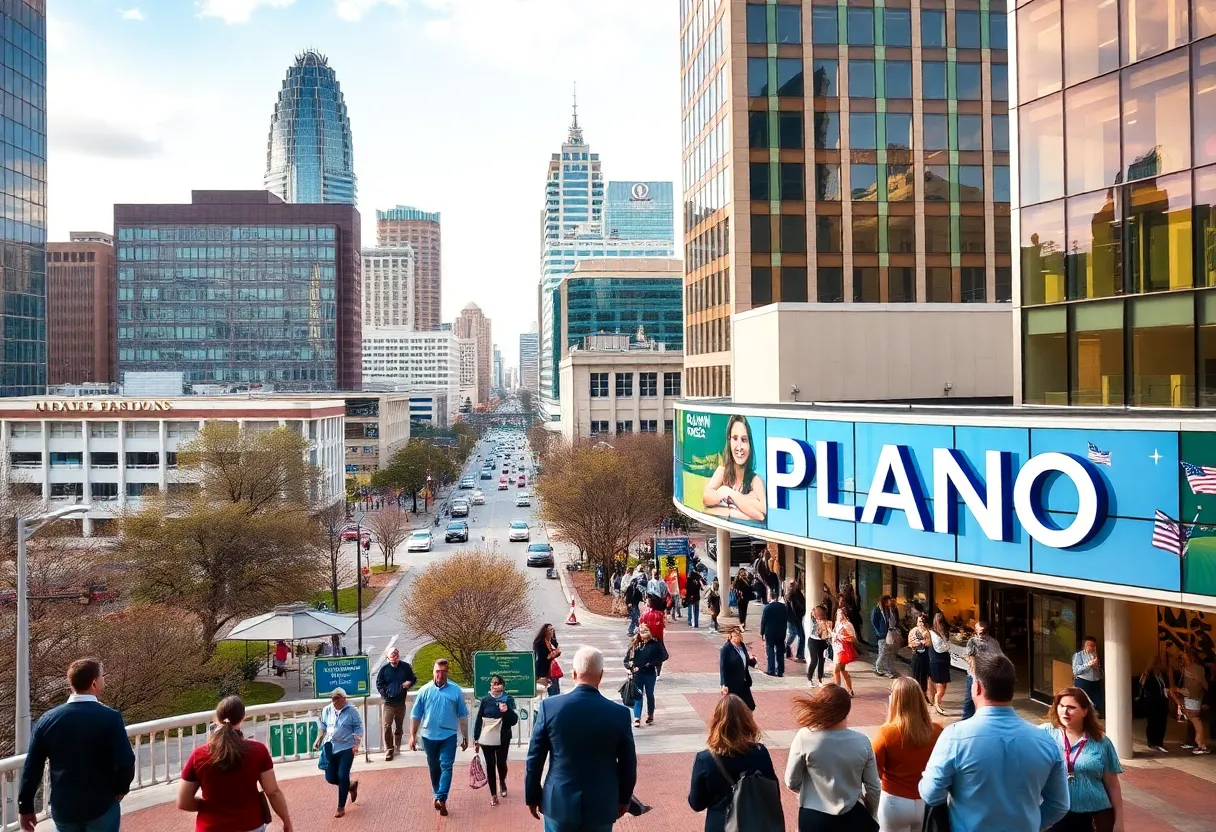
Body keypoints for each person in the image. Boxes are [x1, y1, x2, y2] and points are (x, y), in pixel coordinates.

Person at [919, 652, 1069, 832]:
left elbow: (930, 793)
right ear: (1011, 690)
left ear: (977, 688)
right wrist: (1032, 824)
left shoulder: (954, 737)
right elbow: (1059, 804)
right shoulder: (1047, 742)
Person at [525, 646, 638, 832]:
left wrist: (532, 796)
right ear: (600, 676)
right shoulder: (619, 714)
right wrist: (624, 799)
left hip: (558, 803)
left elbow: (534, 759)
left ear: (573, 674)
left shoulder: (549, 708)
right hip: (601, 805)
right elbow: (628, 765)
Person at [18, 658, 135, 832]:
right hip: (101, 805)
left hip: (64, 808)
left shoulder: (47, 720)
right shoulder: (110, 718)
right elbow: (125, 761)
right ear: (94, 683)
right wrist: (121, 789)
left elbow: (32, 768)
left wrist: (25, 806)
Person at [177, 695, 293, 832]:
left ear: (217, 718)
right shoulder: (258, 751)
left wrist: (209, 806)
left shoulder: (199, 755)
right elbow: (272, 791)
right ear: (244, 717)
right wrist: (286, 821)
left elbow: (183, 801)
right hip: (250, 824)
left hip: (210, 827)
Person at [784, 683, 880, 831]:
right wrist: (871, 812)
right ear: (846, 711)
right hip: (851, 814)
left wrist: (810, 791)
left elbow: (791, 781)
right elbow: (873, 786)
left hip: (814, 815)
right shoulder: (862, 741)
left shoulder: (805, 736)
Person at [688, 694, 779, 832]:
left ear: (716, 722)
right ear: (746, 720)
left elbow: (696, 804)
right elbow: (773, 791)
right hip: (754, 824)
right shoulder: (760, 752)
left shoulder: (706, 759)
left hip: (720, 824)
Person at [1040, 686, 1123, 832]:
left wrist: (1119, 821)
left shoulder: (1101, 742)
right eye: (1061, 706)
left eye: (1071, 707)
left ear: (1085, 711)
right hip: (1055, 814)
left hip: (1094, 816)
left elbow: (1112, 784)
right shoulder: (1044, 734)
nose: (1065, 711)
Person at [871, 678, 944, 832]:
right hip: (925, 800)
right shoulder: (937, 731)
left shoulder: (886, 733)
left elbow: (873, 772)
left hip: (894, 801)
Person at [409, 659, 470, 816]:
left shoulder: (455, 690)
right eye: (438, 671)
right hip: (429, 736)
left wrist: (465, 736)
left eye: (443, 672)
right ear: (433, 672)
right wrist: (412, 736)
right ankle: (438, 796)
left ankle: (441, 797)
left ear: (447, 673)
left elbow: (462, 716)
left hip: (448, 736)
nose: (440, 675)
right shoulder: (425, 690)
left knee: (447, 766)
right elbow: (416, 715)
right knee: (434, 768)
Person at [701, 414, 767, 522]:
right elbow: (706, 500)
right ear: (729, 441)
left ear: (750, 445)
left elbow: (761, 515)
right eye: (735, 438)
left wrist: (729, 493)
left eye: (744, 440)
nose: (739, 447)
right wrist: (741, 507)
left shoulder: (756, 481)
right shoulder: (722, 471)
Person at [312, 688, 363, 819]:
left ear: (344, 698)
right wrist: (318, 740)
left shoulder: (352, 711)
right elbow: (322, 727)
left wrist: (356, 743)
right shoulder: (326, 710)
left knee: (342, 775)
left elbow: (358, 727)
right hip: (330, 746)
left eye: (338, 698)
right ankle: (350, 785)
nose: (335, 701)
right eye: (333, 698)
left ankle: (341, 807)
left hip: (346, 747)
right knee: (330, 778)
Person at [474, 674, 519, 807]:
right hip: (487, 737)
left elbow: (514, 721)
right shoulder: (485, 700)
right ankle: (493, 794)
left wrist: (506, 712)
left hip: (503, 736)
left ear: (503, 686)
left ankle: (502, 781)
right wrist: (476, 738)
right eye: (493, 683)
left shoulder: (508, 699)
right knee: (490, 764)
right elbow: (478, 720)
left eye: (498, 683)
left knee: (501, 762)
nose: (495, 686)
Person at [375, 646, 417, 761]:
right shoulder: (384, 670)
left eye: (396, 658)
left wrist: (409, 683)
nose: (394, 660)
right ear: (387, 658)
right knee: (387, 726)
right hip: (388, 703)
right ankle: (389, 749)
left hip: (401, 702)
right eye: (391, 659)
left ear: (398, 656)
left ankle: (397, 744)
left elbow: (413, 679)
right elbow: (379, 684)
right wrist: (385, 695)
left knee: (399, 726)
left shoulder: (405, 667)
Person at [625, 624, 666, 727]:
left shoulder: (654, 644)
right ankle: (637, 717)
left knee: (649, 694)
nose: (645, 639)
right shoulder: (635, 644)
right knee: (638, 695)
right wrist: (630, 668)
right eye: (643, 636)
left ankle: (650, 714)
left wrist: (651, 664)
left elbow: (662, 657)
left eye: (646, 636)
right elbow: (626, 660)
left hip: (649, 673)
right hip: (637, 674)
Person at [961, 621, 1000, 720]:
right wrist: (974, 678)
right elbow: (972, 659)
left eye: (981, 632)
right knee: (969, 701)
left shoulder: (993, 643)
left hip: (987, 676)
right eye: (976, 631)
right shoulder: (972, 642)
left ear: (986, 632)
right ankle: (966, 722)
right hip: (974, 676)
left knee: (986, 701)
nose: (978, 635)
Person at [1175, 649, 1210, 754]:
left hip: (1193, 697)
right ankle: (1199, 743)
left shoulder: (1194, 668)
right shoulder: (1193, 668)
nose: (1183, 659)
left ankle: (1201, 744)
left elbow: (1202, 683)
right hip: (1193, 697)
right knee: (1195, 721)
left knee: (1196, 721)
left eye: (1185, 657)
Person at [719, 626, 758, 710]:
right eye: (735, 636)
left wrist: (753, 661)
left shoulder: (742, 646)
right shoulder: (726, 649)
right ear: (730, 637)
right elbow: (723, 668)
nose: (737, 638)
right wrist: (723, 684)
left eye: (739, 635)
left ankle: (745, 721)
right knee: (732, 708)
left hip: (743, 682)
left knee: (750, 706)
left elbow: (745, 660)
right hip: (732, 684)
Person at [1139, 655, 1171, 753]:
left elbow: (1166, 685)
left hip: (1163, 700)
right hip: (1152, 701)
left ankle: (1159, 741)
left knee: (1162, 722)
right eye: (1160, 662)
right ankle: (1152, 742)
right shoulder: (1149, 674)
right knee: (1153, 721)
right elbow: (1142, 684)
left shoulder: (1162, 674)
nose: (1162, 664)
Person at [1071, 636, 1104, 717]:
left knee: (1098, 701)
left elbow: (1100, 669)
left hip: (1096, 681)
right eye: (1089, 645)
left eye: (1093, 646)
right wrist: (1088, 665)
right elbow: (1076, 671)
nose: (1091, 647)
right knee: (1082, 700)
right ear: (1084, 646)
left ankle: (1096, 717)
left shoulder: (1096, 655)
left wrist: (1097, 668)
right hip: (1083, 681)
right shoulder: (1078, 656)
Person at [760, 591, 790, 677]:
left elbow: (763, 621)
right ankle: (780, 671)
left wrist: (762, 633)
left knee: (770, 651)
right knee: (780, 652)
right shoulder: (783, 607)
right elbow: (786, 619)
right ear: (776, 597)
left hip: (770, 633)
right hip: (781, 632)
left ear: (770, 597)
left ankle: (771, 670)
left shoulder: (767, 608)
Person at [927, 614, 952, 717]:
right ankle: (937, 704)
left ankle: (937, 701)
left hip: (944, 661)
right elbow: (939, 648)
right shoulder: (933, 633)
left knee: (944, 685)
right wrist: (947, 646)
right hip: (937, 661)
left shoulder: (944, 632)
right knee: (940, 686)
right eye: (939, 622)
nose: (941, 624)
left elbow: (945, 645)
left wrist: (947, 645)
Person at [832, 606, 858, 696]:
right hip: (837, 648)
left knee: (836, 669)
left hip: (843, 649)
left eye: (840, 613)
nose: (839, 615)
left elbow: (853, 638)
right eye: (838, 613)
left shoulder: (847, 625)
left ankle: (837, 691)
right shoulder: (837, 623)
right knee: (842, 669)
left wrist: (839, 637)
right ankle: (850, 689)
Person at [872, 595, 899, 679]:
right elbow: (874, 622)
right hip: (883, 634)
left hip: (891, 632)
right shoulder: (877, 610)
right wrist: (879, 633)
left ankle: (887, 669)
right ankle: (879, 667)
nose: (890, 602)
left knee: (889, 652)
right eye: (889, 601)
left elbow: (895, 620)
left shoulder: (892, 609)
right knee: (883, 651)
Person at [534, 623, 562, 697]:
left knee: (555, 690)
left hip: (552, 669)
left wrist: (555, 652)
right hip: (543, 670)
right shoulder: (539, 642)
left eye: (553, 630)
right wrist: (552, 654)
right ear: (545, 631)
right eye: (550, 630)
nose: (552, 632)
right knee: (544, 692)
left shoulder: (551, 641)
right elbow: (542, 656)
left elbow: (556, 650)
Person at [806, 604, 832, 688]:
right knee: (814, 660)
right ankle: (809, 679)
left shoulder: (827, 622)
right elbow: (811, 614)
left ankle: (820, 679)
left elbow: (828, 634)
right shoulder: (813, 621)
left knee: (822, 660)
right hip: (813, 641)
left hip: (823, 642)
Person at [907, 614, 931, 700]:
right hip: (916, 655)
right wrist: (919, 644)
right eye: (920, 621)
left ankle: (924, 694)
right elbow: (910, 643)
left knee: (924, 676)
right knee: (915, 675)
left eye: (923, 621)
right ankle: (914, 695)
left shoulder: (928, 631)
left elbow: (929, 643)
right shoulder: (913, 631)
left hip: (926, 656)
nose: (921, 623)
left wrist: (923, 642)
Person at [786, 579, 806, 663]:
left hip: (793, 618)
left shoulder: (793, 594)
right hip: (795, 619)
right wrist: (798, 618)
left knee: (793, 633)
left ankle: (785, 647)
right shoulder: (793, 595)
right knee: (801, 636)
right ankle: (800, 655)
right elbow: (795, 609)